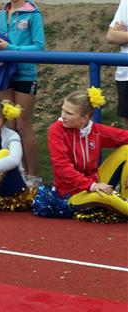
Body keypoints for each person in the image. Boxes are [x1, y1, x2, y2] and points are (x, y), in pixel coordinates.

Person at [0, 0, 45, 181]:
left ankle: (33, 176)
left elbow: (39, 48)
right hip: (4, 72)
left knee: (23, 124)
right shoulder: (1, 14)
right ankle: (18, 174)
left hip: (24, 73)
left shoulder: (33, 14)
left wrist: (10, 47)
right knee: (9, 125)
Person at [47, 89, 128, 218]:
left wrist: (95, 184)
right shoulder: (56, 130)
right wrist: (92, 185)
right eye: (63, 110)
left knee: (126, 150)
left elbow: (125, 137)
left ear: (84, 118)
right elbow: (62, 168)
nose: (63, 116)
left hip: (96, 182)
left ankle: (126, 197)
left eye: (69, 113)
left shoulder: (95, 130)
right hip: (72, 193)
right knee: (108, 199)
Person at [106, 0, 128, 128]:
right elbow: (111, 36)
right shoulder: (126, 2)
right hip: (125, 74)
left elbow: (118, 36)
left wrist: (124, 35)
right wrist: (119, 35)